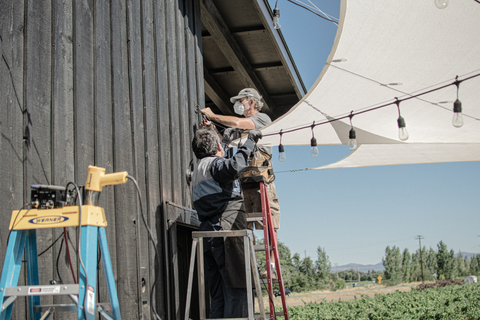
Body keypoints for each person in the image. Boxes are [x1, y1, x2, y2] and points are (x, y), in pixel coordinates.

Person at [201, 88, 281, 278]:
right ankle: (250, 263)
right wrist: (211, 128)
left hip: (262, 181)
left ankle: (270, 264)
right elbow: (222, 143)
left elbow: (238, 121)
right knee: (243, 225)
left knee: (270, 225)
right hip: (241, 183)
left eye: (242, 100)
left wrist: (213, 114)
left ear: (252, 101)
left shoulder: (262, 119)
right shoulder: (234, 130)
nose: (239, 103)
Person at [191, 127, 263, 318]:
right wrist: (249, 143)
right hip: (226, 235)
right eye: (220, 146)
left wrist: (223, 142)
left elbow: (217, 164)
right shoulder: (216, 166)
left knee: (218, 296)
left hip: (208, 235)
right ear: (216, 149)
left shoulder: (200, 168)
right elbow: (232, 167)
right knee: (237, 289)